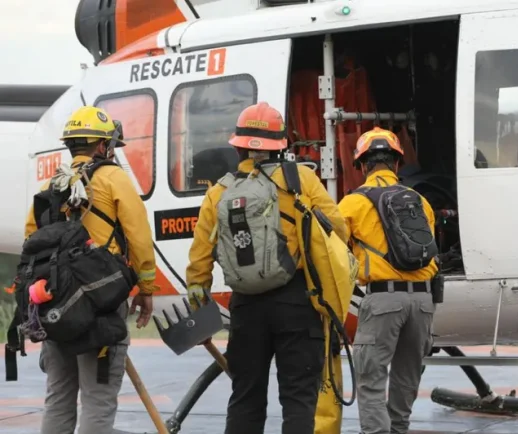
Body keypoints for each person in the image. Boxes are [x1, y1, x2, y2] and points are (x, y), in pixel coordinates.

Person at [184, 101, 349, 434]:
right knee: (299, 397)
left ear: (239, 144)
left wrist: (199, 310)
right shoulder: (300, 179)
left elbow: (199, 263)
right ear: (281, 143)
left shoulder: (219, 192)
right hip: (297, 303)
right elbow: (338, 229)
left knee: (245, 396)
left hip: (245, 307)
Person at [23, 106, 157, 434]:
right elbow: (139, 236)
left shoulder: (54, 184)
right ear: (101, 146)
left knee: (59, 397)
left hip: (56, 305)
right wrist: (147, 288)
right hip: (101, 307)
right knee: (98, 399)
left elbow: (32, 237)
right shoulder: (113, 178)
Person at [338, 127, 439, 434]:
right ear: (397, 163)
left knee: (370, 380)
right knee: (407, 379)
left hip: (383, 300)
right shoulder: (421, 201)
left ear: (362, 165)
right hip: (423, 302)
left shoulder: (352, 203)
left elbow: (332, 248)